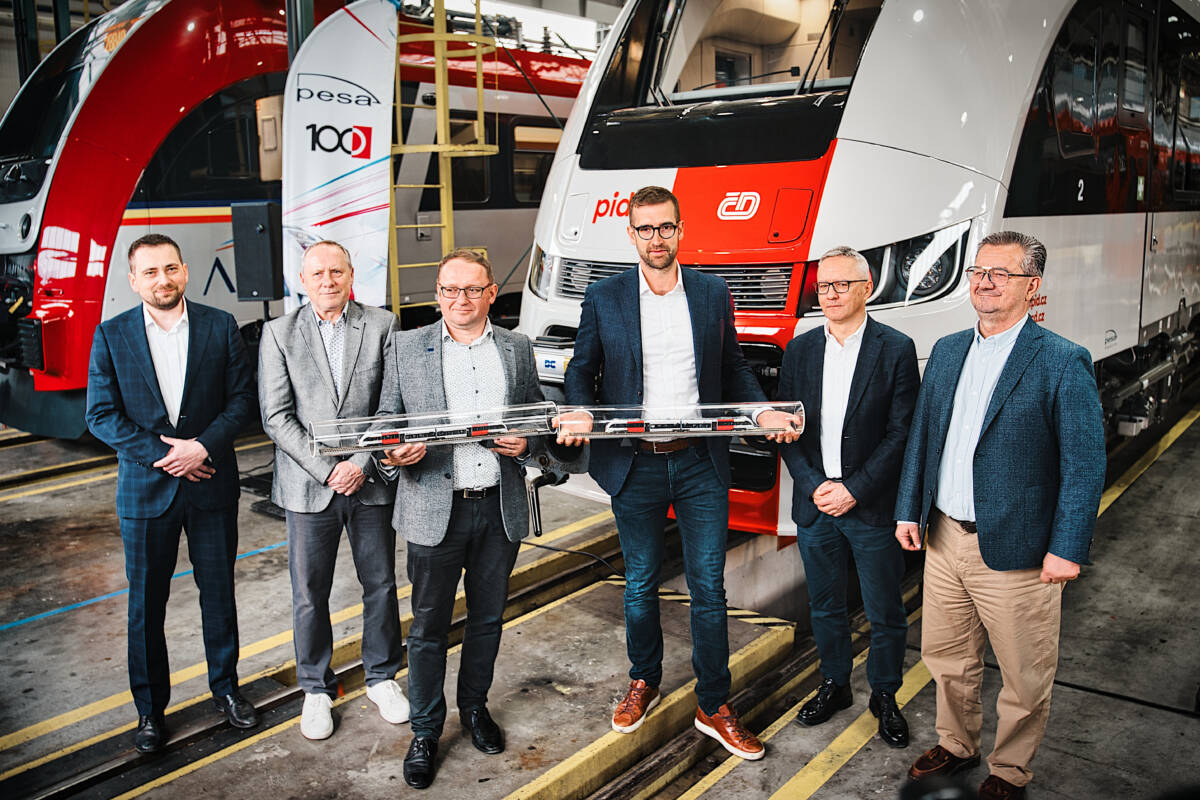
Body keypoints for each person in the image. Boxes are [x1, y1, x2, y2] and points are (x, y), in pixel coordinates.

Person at [558, 185, 801, 761]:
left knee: (708, 587)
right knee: (641, 583)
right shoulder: (606, 296)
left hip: (698, 462)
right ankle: (644, 679)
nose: (656, 238)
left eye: (665, 227)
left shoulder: (711, 292)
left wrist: (760, 410)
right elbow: (582, 367)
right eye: (645, 229)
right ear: (631, 234)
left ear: (681, 229)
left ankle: (713, 704)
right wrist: (579, 408)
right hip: (635, 461)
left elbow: (732, 366)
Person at [895, 231, 1105, 800]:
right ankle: (957, 744)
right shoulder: (947, 351)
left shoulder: (1061, 360)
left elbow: (1085, 464)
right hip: (944, 538)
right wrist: (909, 510)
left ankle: (1009, 770)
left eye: (1001, 273)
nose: (985, 283)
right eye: (978, 272)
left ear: (1032, 287)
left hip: (1019, 549)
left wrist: (1067, 547)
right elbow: (923, 439)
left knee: (1024, 673)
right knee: (947, 657)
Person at [377, 249, 577, 789]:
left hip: (496, 507)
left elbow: (533, 415)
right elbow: (387, 418)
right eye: (449, 289)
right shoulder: (407, 346)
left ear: (491, 293)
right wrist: (394, 452)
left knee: (487, 619)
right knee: (428, 628)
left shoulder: (516, 346)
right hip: (433, 508)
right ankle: (425, 731)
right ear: (437, 293)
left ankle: (473, 709)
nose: (459, 300)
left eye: (471, 290)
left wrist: (528, 445)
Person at [85, 233, 258, 753]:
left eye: (170, 269)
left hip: (210, 484)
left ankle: (226, 691)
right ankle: (149, 712)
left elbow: (242, 400)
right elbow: (100, 415)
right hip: (146, 492)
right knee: (145, 606)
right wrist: (167, 456)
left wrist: (201, 447)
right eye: (150, 272)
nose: (162, 279)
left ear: (184, 271)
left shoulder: (219, 325)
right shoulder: (111, 335)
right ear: (133, 280)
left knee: (219, 596)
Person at [258, 240, 408, 741]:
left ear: (351, 276)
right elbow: (276, 416)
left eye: (337, 272)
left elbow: (391, 405)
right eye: (318, 273)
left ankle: (382, 677)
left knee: (380, 584)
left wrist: (360, 464)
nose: (328, 281)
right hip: (309, 486)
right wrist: (328, 471)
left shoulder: (382, 325)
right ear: (303, 281)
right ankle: (316, 688)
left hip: (369, 482)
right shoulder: (279, 333)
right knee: (309, 592)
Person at [778, 246, 919, 748]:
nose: (831, 294)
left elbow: (902, 433)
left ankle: (885, 694)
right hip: (816, 504)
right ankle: (835, 684)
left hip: (870, 505)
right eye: (824, 286)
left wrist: (854, 490)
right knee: (824, 606)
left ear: (866, 288)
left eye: (842, 284)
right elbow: (786, 429)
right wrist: (815, 485)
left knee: (885, 610)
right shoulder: (799, 349)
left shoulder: (895, 348)